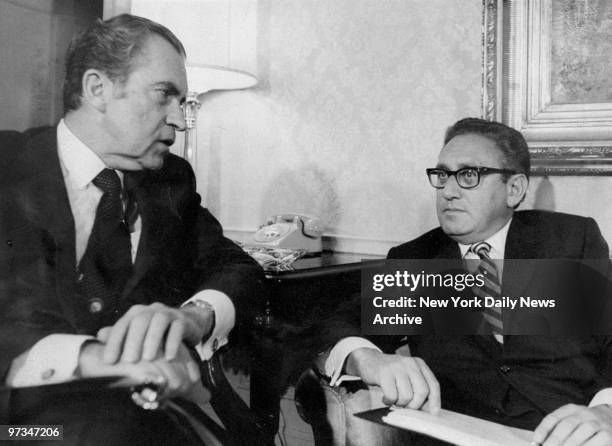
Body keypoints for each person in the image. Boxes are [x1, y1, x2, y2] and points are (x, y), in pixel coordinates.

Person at [0, 14, 264, 445]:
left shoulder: (170, 180)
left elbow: (238, 269)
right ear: (97, 88)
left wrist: (191, 318)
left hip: (152, 412)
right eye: (165, 96)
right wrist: (93, 358)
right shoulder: (7, 166)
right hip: (23, 426)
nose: (180, 120)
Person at [302, 118, 612, 446]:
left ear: (514, 189)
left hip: (565, 435)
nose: (448, 192)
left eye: (468, 175)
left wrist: (606, 409)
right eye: (442, 176)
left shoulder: (569, 241)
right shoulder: (418, 259)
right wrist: (368, 358)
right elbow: (338, 324)